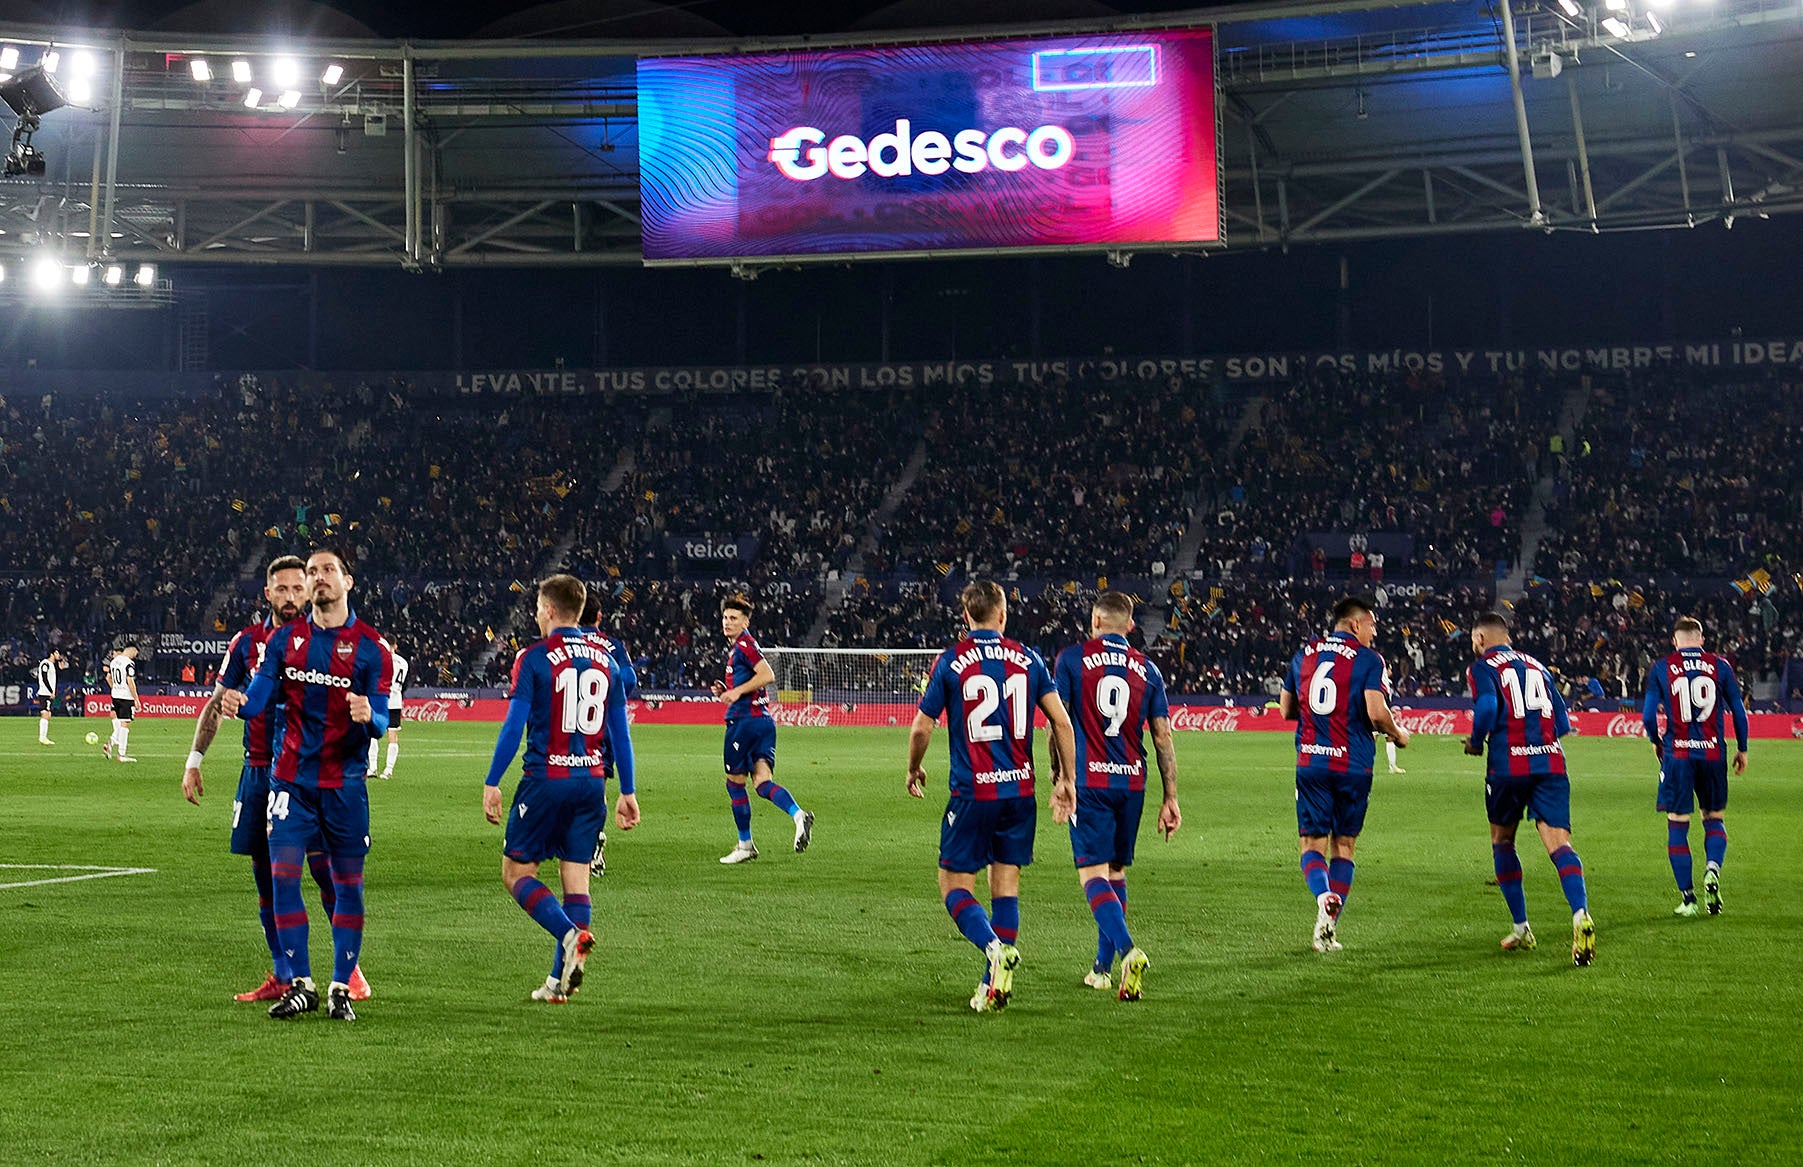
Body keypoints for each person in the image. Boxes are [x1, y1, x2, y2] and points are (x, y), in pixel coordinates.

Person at [181, 556, 371, 1004]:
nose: (290, 597)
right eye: (281, 590)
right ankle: (285, 976)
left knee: (327, 873)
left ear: (308, 589)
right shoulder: (247, 643)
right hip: (259, 770)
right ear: (267, 593)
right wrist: (194, 758)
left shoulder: (323, 640)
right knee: (267, 877)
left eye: (297, 589)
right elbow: (217, 701)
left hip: (310, 774)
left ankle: (351, 971)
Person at [222, 547, 393, 1021]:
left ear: (347, 581)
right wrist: (240, 703)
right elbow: (259, 700)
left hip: (345, 784)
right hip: (291, 782)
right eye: (313, 572)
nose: (318, 579)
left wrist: (372, 717)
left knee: (347, 886)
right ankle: (301, 984)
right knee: (282, 880)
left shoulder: (372, 648)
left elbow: (381, 716)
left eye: (327, 571)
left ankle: (342, 984)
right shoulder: (284, 641)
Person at [906, 580, 1077, 1013]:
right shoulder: (1029, 658)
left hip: (973, 792)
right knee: (1006, 887)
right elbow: (1062, 723)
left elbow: (922, 727)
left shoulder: (951, 661)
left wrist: (913, 768)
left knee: (953, 884)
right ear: (1002, 615)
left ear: (966, 617)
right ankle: (993, 987)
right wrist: (1066, 779)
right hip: (1020, 792)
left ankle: (992, 949)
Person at [482, 574, 640, 1003]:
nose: (535, 614)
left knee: (516, 873)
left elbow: (514, 726)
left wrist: (493, 780)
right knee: (577, 882)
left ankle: (570, 936)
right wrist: (627, 789)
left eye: (537, 607)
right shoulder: (607, 660)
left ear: (549, 609)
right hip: (592, 783)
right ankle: (557, 983)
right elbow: (619, 733)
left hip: (545, 781)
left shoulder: (533, 657)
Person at [1051, 592, 1179, 1001]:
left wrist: (1060, 775)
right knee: (1116, 874)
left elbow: (1060, 724)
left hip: (1089, 781)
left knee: (1092, 875)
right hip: (1132, 783)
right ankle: (1100, 970)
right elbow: (1162, 735)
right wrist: (1170, 796)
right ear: (1129, 626)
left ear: (1094, 622)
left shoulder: (1072, 659)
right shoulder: (1149, 669)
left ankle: (1128, 952)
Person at [1279, 597, 1409, 953]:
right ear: (1355, 624)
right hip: (1353, 765)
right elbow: (1376, 711)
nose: (1374, 633)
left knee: (1311, 845)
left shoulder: (1304, 654)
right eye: (1372, 626)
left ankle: (1324, 897)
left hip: (1312, 762)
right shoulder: (1369, 660)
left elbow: (1286, 709)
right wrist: (1398, 734)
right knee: (1345, 846)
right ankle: (1328, 928)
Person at [1464, 612, 1595, 966]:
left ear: (1480, 639)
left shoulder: (1482, 667)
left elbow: (1488, 706)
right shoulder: (1537, 666)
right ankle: (1580, 914)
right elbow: (1563, 722)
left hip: (1508, 766)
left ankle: (1522, 927)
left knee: (1502, 841)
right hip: (1550, 763)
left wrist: (1476, 740)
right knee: (1559, 845)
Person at [1641, 616, 1748, 918]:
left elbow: (1649, 715)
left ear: (1675, 641)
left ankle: (1688, 899)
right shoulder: (1721, 666)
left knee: (1677, 824)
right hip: (1714, 753)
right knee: (1714, 818)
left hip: (1679, 754)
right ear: (1701, 640)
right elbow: (1738, 711)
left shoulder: (1662, 668)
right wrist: (1742, 748)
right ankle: (1712, 870)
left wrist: (1656, 741)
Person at [712, 594, 813, 864]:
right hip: (762, 722)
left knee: (734, 784)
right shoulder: (739, 649)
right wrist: (728, 691)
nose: (727, 622)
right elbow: (751, 683)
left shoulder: (745, 645)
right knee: (761, 782)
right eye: (725, 617)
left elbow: (768, 675)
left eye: (734, 618)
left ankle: (745, 845)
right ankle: (798, 815)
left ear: (746, 621)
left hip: (744, 723)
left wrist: (736, 693)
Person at [578, 589, 639, 878]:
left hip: (570, 724)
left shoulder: (567, 642)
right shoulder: (612, 645)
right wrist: (610, 697)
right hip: (602, 727)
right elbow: (629, 678)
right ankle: (593, 843)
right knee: (597, 787)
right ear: (600, 616)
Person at [369, 641, 408, 780]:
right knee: (393, 736)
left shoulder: (380, 659)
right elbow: (405, 684)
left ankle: (372, 768)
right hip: (395, 701)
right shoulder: (403, 662)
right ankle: (388, 770)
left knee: (373, 735)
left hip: (380, 700)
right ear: (396, 645)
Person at [104, 641, 140, 763]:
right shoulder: (129, 663)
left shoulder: (114, 661)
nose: (135, 655)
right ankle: (121, 753)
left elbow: (108, 677)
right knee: (125, 724)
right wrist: (136, 698)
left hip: (116, 695)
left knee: (120, 723)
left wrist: (114, 688)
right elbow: (130, 680)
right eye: (135, 653)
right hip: (126, 696)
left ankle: (112, 743)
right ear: (132, 650)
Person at [34, 649, 66, 746]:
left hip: (48, 693)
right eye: (57, 653)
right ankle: (42, 738)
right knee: (45, 714)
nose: (58, 654)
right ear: (52, 654)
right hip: (45, 693)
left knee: (48, 714)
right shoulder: (45, 663)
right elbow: (44, 677)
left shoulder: (52, 664)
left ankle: (43, 737)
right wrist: (50, 691)